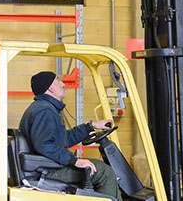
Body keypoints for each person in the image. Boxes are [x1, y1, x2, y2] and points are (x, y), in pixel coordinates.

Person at [19, 71, 122, 199]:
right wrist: (74, 161)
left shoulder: (43, 108)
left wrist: (91, 126)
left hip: (47, 166)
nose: (63, 84)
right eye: (58, 80)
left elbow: (63, 139)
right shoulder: (45, 111)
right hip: (48, 170)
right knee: (105, 172)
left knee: (98, 168)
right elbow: (45, 145)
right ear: (50, 88)